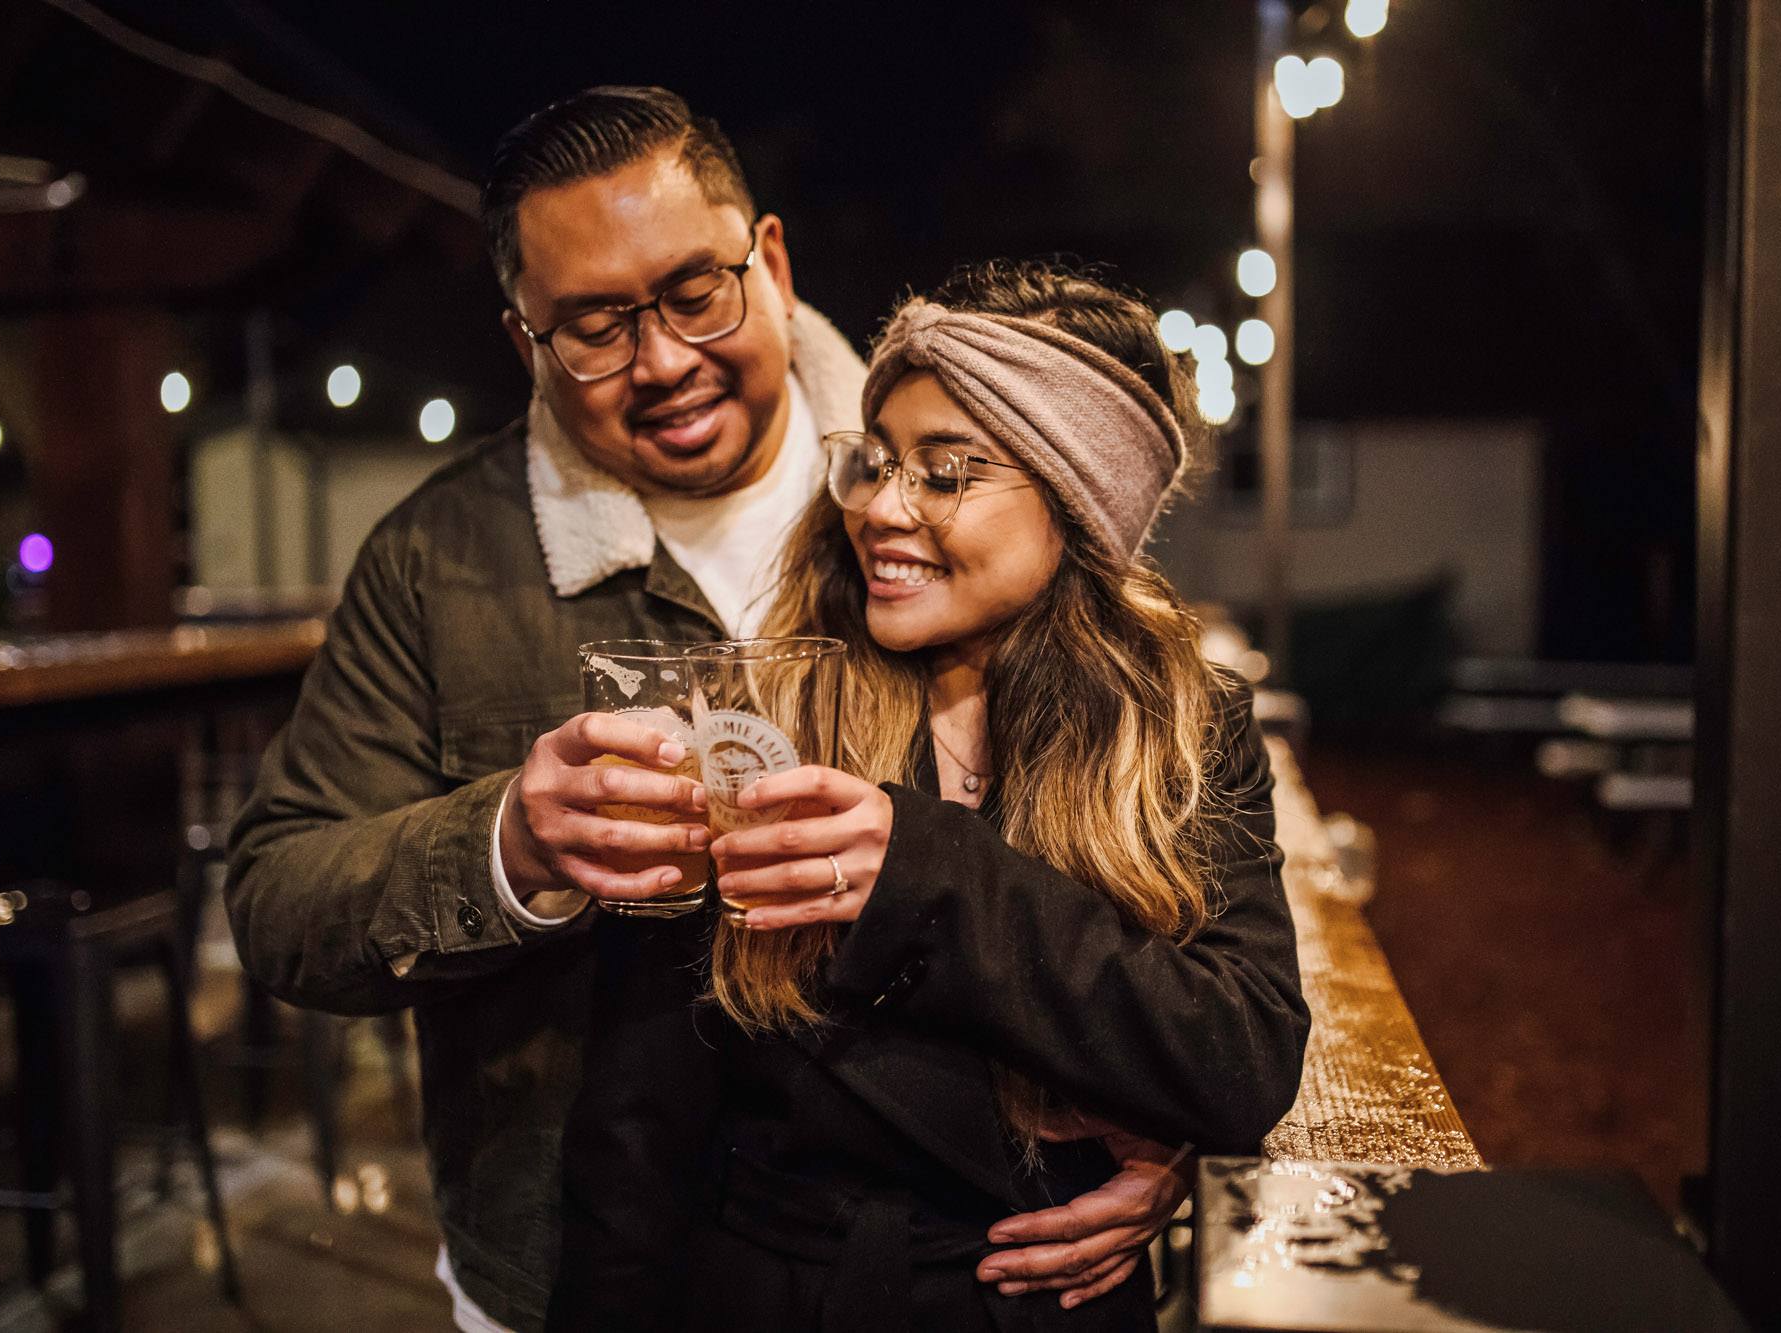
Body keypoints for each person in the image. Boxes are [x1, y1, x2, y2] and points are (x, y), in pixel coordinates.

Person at [226, 88, 1201, 1333]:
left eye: (695, 291)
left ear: (772, 263)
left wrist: (1155, 1119)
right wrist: (508, 848)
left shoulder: (956, 486)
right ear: (524, 341)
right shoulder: (438, 560)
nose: (664, 359)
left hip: (953, 1266)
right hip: (553, 1272)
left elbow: (1153, 853)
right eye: (591, 325)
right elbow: (274, 899)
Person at [629, 260, 1309, 1331]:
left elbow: (1242, 1056)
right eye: (877, 461)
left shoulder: (1177, 726)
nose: (880, 510)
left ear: (1079, 499)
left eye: (945, 472)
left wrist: (924, 876)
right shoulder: (760, 710)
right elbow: (638, 1107)